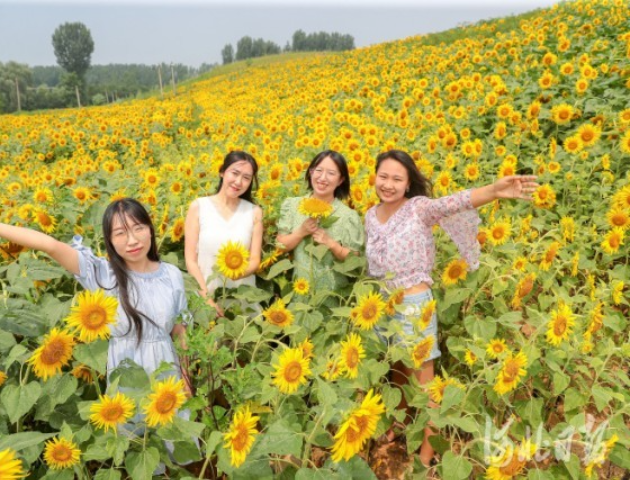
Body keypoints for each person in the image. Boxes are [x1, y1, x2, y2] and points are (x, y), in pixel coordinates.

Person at [0, 198, 194, 466]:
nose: (132, 240)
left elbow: (180, 330)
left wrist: (186, 375)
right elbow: (49, 244)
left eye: (138, 228)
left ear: (150, 229)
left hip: (165, 371)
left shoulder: (171, 274)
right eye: (120, 233)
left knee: (174, 446)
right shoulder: (102, 274)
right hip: (127, 373)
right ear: (110, 241)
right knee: (138, 450)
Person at [364, 149, 538, 467]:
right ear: (375, 176)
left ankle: (427, 455)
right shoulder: (370, 215)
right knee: (395, 371)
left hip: (414, 306)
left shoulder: (418, 208)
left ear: (408, 184)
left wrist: (495, 191)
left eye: (396, 179)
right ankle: (398, 424)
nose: (387, 184)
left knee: (424, 380)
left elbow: (454, 201)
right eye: (383, 176)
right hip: (383, 305)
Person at [184, 151, 263, 315]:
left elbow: (255, 259)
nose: (238, 182)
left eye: (246, 178)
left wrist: (237, 272)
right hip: (205, 297)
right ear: (222, 172)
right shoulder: (199, 207)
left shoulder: (254, 212)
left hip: (242, 300)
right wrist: (206, 300)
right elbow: (190, 260)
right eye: (234, 173)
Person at [276, 150, 364, 293]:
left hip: (334, 297)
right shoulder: (292, 206)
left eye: (331, 173)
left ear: (341, 180)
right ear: (311, 172)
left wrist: (331, 244)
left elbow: (354, 261)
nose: (323, 178)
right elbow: (279, 246)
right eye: (319, 170)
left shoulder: (348, 216)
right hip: (300, 294)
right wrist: (300, 233)